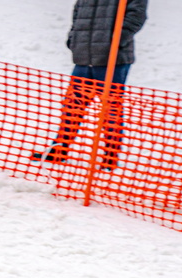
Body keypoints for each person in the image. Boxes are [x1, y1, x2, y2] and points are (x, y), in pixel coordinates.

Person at [31, 0, 149, 170]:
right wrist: (74, 39)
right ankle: (60, 149)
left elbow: (136, 16)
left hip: (113, 59)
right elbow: (78, 12)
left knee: (110, 110)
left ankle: (110, 155)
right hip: (84, 57)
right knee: (72, 106)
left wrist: (115, 40)